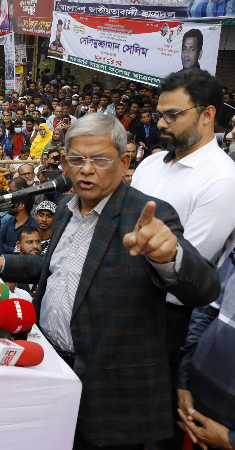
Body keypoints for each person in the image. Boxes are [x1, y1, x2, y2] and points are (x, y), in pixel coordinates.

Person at [0, 112, 220, 449]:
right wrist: (1, 262)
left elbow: (205, 288)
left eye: (99, 159)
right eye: (77, 159)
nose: (85, 169)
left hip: (108, 395)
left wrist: (169, 257)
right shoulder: (67, 205)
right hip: (49, 365)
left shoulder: (147, 216)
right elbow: (57, 269)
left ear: (124, 159)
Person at [131, 69, 235, 450]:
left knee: (153, 434)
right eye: (160, 113)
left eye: (174, 115)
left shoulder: (222, 181)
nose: (161, 123)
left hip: (167, 322)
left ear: (208, 114)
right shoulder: (150, 164)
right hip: (123, 305)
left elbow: (189, 268)